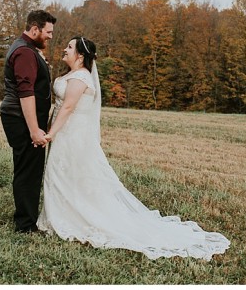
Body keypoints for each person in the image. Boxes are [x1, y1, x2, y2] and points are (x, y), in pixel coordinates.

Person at [38, 36, 230, 260]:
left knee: (70, 175)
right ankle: (64, 215)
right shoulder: (72, 74)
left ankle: (75, 219)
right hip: (65, 133)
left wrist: (51, 133)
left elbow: (68, 107)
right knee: (65, 176)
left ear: (80, 56)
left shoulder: (81, 77)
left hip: (72, 135)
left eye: (69, 47)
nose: (64, 49)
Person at [0, 10, 56, 233]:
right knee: (28, 171)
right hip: (21, 119)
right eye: (48, 32)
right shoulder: (24, 52)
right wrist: (34, 129)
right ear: (34, 29)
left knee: (28, 168)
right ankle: (25, 225)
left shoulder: (27, 48)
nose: (50, 36)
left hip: (20, 118)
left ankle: (26, 218)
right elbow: (26, 93)